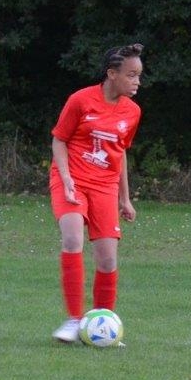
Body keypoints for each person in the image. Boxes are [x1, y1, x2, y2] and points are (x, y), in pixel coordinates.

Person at [49, 43, 143, 344]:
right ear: (112, 74)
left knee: (107, 261)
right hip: (72, 180)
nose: (137, 82)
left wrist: (125, 198)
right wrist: (66, 179)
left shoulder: (132, 111)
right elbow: (59, 141)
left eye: (139, 75)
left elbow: (120, 153)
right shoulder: (80, 100)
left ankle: (103, 327)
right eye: (131, 75)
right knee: (72, 238)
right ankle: (73, 321)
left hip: (105, 186)